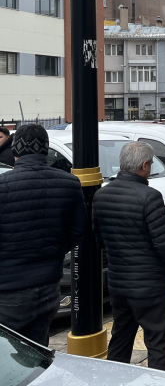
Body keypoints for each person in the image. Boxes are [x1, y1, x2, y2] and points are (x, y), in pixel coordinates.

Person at [93, 142, 165, 372]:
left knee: (121, 336)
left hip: (119, 283)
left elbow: (99, 240)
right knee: (159, 341)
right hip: (150, 286)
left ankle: (113, 378)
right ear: (144, 166)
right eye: (150, 164)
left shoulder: (101, 195)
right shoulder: (150, 197)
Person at [0, 124, 87, 346]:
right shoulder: (68, 183)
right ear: (45, 150)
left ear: (15, 151)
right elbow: (78, 232)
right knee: (37, 352)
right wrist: (53, 249)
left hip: (8, 289)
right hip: (48, 285)